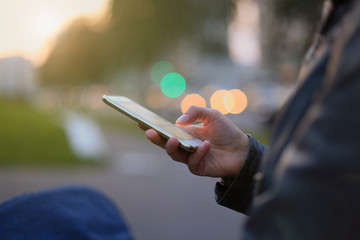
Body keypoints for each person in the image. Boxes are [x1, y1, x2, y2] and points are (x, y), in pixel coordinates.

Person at [141, 0, 360, 238]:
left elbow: (308, 208)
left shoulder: (352, 27)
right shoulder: (342, 17)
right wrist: (245, 159)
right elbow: (329, 201)